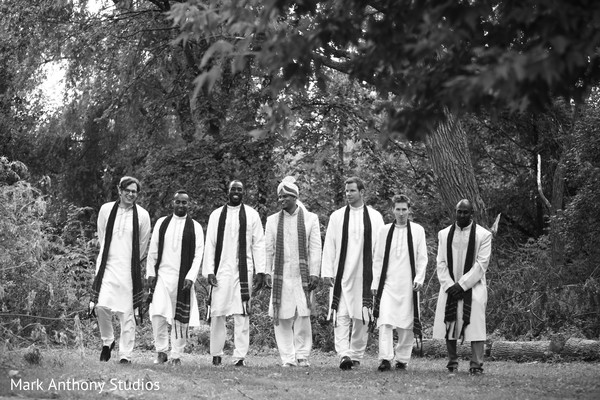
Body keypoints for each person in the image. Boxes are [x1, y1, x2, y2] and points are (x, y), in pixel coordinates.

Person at [321, 176, 384, 370]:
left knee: (362, 315)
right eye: (346, 191)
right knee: (340, 314)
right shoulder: (337, 216)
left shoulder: (375, 217)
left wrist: (379, 276)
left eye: (352, 191)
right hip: (342, 274)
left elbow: (380, 250)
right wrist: (327, 271)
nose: (348, 194)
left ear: (362, 191)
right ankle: (344, 354)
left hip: (365, 276)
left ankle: (356, 354)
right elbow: (329, 245)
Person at [203, 180, 266, 366]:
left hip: (243, 270)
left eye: (240, 189)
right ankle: (216, 353)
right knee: (217, 312)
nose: (236, 192)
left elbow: (259, 243)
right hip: (221, 270)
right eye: (233, 189)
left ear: (244, 192)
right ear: (228, 192)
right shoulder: (216, 215)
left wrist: (261, 270)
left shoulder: (252, 215)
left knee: (242, 313)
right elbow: (210, 243)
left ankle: (239, 356)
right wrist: (208, 270)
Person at [90, 176, 151, 364]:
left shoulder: (142, 215)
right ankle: (108, 341)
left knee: (127, 313)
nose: (131, 194)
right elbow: (102, 236)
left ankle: (125, 354)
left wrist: (129, 262)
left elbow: (142, 244)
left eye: (134, 191)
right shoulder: (106, 210)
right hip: (107, 266)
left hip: (128, 270)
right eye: (128, 190)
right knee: (100, 306)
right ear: (119, 190)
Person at [264, 177, 322, 367]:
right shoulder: (272, 221)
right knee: (281, 318)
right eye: (280, 197)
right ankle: (287, 358)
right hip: (280, 274)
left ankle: (302, 355)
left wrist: (314, 273)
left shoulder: (310, 219)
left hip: (301, 275)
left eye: (285, 197)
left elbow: (315, 248)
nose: (281, 200)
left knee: (303, 316)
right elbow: (268, 249)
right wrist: (266, 272)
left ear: (295, 197)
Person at [432, 199, 493, 375]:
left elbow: (481, 265)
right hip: (450, 286)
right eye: (459, 211)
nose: (462, 215)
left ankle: (476, 364)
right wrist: (450, 285)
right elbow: (441, 262)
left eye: (466, 212)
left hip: (474, 287)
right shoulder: (444, 234)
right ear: (455, 212)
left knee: (476, 325)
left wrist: (463, 285)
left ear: (472, 214)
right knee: (450, 322)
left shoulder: (483, 235)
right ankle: (452, 362)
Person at [146, 190, 204, 365]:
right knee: (157, 314)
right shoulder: (162, 223)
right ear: (172, 203)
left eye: (184, 202)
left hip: (183, 279)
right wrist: (150, 273)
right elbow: (153, 249)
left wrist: (191, 276)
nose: (181, 205)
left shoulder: (195, 227)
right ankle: (161, 351)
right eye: (178, 202)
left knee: (180, 318)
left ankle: (176, 354)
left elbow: (198, 254)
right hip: (163, 276)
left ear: (189, 205)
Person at [371, 194, 428, 372]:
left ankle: (402, 359)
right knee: (385, 321)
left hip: (408, 285)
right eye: (398, 209)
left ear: (409, 210)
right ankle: (385, 359)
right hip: (388, 284)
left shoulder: (418, 230)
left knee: (406, 324)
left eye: (404, 209)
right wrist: (375, 282)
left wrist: (419, 278)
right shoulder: (384, 231)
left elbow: (422, 258)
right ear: (392, 210)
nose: (401, 213)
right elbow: (378, 259)